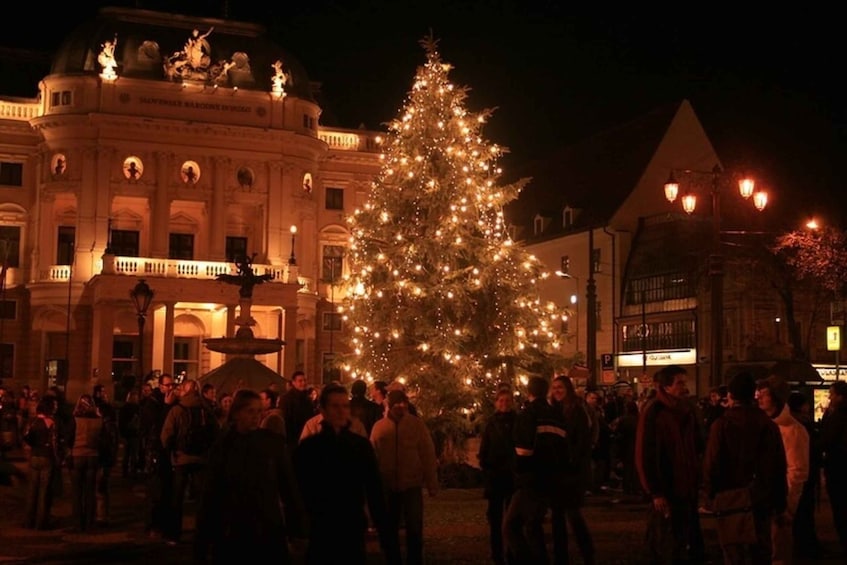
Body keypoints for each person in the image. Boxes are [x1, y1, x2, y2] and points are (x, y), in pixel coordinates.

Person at [195, 389, 304, 564]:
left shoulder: (272, 444)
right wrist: (202, 540)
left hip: (267, 525)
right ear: (237, 413)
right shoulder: (223, 447)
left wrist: (297, 528)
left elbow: (289, 488)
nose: (256, 416)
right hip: (233, 527)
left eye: (259, 411)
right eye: (250, 411)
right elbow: (210, 494)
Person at [294, 383, 389, 564]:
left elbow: (373, 487)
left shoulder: (360, 446)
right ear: (323, 409)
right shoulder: (309, 448)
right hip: (321, 523)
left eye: (345, 406)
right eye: (335, 406)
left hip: (351, 522)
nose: (340, 411)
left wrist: (381, 525)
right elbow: (299, 488)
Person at [703, 371, 787, 563]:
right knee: (761, 551)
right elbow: (778, 465)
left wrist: (710, 494)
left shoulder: (722, 425)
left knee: (734, 551)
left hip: (729, 497)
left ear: (731, 396)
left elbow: (712, 462)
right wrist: (780, 503)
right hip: (761, 497)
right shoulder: (767, 424)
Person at [634, 365, 704, 563]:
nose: (684, 387)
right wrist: (655, 491)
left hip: (686, 485)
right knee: (664, 541)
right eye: (679, 383)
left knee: (683, 539)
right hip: (667, 486)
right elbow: (646, 453)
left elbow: (695, 445)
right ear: (665, 387)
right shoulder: (654, 412)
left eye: (684, 382)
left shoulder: (686, 410)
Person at [502, 376, 566, 564]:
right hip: (552, 478)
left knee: (511, 526)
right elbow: (564, 447)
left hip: (531, 480)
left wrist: (519, 475)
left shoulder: (528, 415)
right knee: (533, 525)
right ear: (546, 391)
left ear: (528, 391)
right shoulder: (556, 415)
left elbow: (523, 451)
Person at [371, 389, 438, 565]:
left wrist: (432, 483)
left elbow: (427, 454)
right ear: (390, 405)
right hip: (388, 484)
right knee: (390, 527)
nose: (400, 407)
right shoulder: (380, 427)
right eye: (397, 404)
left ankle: (414, 560)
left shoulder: (416, 425)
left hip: (411, 483)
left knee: (414, 528)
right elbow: (372, 456)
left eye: (403, 403)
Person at [756, 375, 809, 563]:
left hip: (779, 503)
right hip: (760, 501)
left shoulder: (793, 430)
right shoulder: (761, 425)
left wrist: (788, 507)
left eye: (763, 394)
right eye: (757, 393)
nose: (758, 397)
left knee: (779, 552)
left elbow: (797, 471)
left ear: (776, 398)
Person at [160, 379, 220, 545]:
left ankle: (173, 534)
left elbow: (166, 435)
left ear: (186, 391)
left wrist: (171, 452)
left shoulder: (177, 409)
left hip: (181, 458)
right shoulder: (206, 409)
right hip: (202, 459)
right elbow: (216, 433)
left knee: (177, 498)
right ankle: (203, 533)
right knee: (202, 499)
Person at [549, 376, 595, 565]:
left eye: (560, 387)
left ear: (567, 388)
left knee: (573, 514)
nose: (557, 391)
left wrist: (572, 460)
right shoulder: (555, 410)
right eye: (554, 388)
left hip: (572, 471)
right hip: (558, 471)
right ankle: (561, 557)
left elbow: (582, 440)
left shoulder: (576, 410)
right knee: (557, 515)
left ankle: (588, 554)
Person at [477, 388, 516, 565]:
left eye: (507, 401)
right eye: (501, 401)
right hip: (495, 475)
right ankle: (497, 553)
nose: (504, 404)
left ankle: (511, 551)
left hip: (512, 476)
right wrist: (486, 465)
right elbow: (485, 447)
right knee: (495, 518)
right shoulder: (491, 423)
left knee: (511, 518)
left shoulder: (518, 421)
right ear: (496, 403)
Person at [787, 390, 823, 558]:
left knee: (802, 511)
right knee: (804, 511)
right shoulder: (800, 426)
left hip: (803, 472)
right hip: (804, 473)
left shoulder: (793, 424)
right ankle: (806, 546)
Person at [67, 394, 104, 532]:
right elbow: (102, 439)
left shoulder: (75, 420)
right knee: (90, 491)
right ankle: (89, 522)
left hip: (77, 455)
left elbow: (69, 438)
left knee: (77, 492)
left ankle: (77, 523)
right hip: (93, 456)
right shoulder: (99, 420)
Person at [23, 397, 59, 530]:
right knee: (44, 492)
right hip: (46, 457)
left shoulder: (31, 421)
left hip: (34, 456)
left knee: (32, 490)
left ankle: (28, 521)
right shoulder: (50, 422)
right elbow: (54, 443)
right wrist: (57, 459)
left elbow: (26, 439)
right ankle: (41, 522)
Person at [821, 380, 847, 556]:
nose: (829, 397)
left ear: (840, 397)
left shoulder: (838, 416)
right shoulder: (836, 414)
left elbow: (827, 440)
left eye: (832, 394)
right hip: (839, 466)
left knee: (840, 507)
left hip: (838, 468)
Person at [281, 371, 315, 452]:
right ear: (293, 383)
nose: (303, 383)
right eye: (300, 381)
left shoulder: (307, 399)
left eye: (304, 380)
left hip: (306, 436)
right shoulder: (286, 399)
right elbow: (286, 420)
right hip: (293, 439)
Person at [119, 390, 142, 478]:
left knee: (127, 453)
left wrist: (122, 433)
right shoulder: (137, 408)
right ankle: (133, 471)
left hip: (127, 434)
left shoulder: (124, 408)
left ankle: (125, 471)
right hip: (134, 434)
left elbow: (121, 423)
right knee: (133, 454)